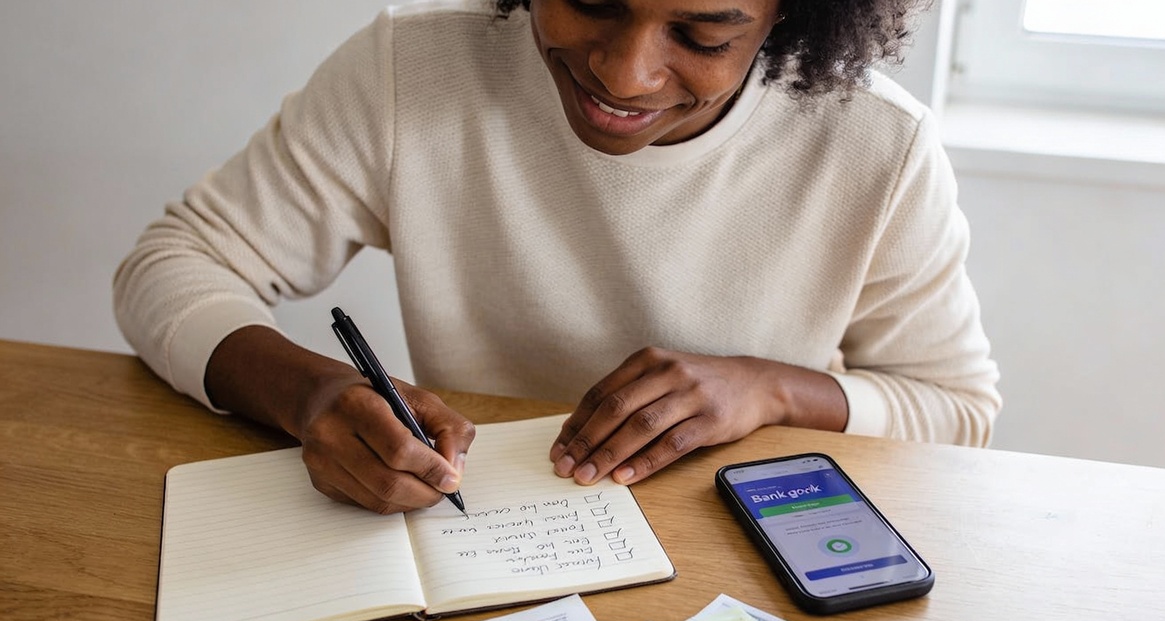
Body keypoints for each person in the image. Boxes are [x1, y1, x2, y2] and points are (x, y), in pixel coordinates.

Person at [113, 0, 1000, 514]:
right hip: (474, 537)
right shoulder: (411, 71)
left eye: (702, 36)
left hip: (737, 555)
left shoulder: (876, 148)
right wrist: (309, 393)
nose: (624, 73)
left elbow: (957, 408)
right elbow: (175, 261)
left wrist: (772, 388)